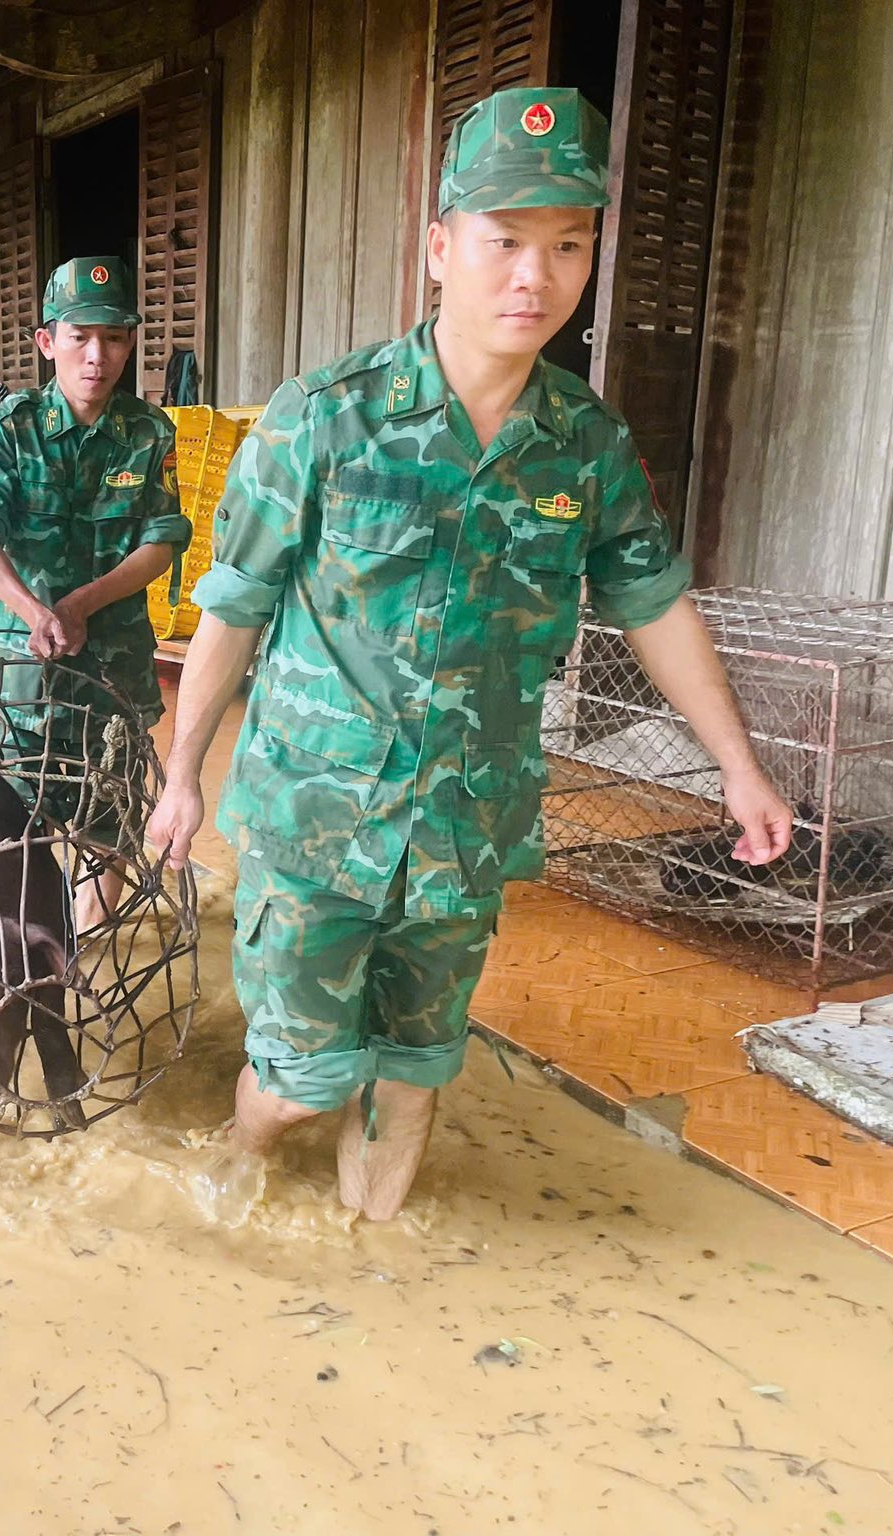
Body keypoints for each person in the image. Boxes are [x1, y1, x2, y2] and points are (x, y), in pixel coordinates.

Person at [146, 88, 794, 1220]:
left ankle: (370, 1244)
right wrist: (177, 778)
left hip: (465, 825)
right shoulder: (322, 420)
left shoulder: (584, 446)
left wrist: (737, 767)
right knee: (301, 1079)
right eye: (502, 243)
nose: (531, 277)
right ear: (440, 248)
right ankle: (239, 1169)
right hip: (315, 822)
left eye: (565, 245)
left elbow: (653, 603)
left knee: (411, 1079)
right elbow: (233, 606)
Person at [0, 256, 192, 932]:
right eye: (81, 336)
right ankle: (29, 954)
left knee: (106, 827)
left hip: (112, 675)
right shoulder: (11, 427)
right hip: (20, 674)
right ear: (47, 340)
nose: (98, 355)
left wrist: (80, 605)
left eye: (114, 338)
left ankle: (87, 952)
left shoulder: (150, 434)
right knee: (10, 832)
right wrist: (34, 611)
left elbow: (162, 541)